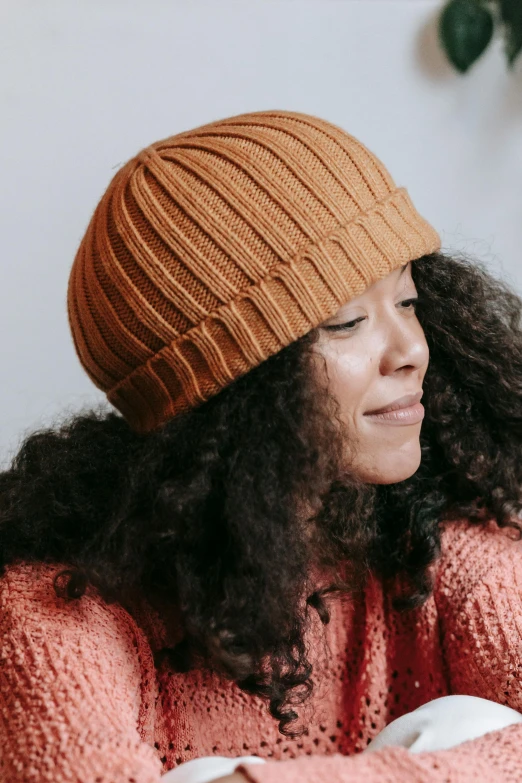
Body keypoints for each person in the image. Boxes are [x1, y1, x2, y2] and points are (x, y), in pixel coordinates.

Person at [1, 109, 522, 783]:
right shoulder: (52, 614)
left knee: (467, 724)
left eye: (410, 301)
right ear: (233, 391)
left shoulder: (438, 551)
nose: (412, 351)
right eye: (348, 321)